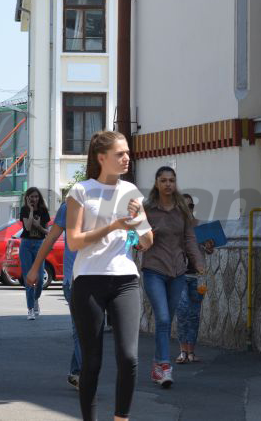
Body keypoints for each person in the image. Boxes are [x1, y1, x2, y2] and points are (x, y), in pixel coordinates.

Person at [66, 130, 153, 421]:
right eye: (120, 153)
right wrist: (113, 226)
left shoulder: (131, 191)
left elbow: (147, 241)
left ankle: (121, 418)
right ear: (101, 157)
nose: (127, 157)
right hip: (88, 280)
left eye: (127, 152)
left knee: (129, 357)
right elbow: (73, 242)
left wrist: (137, 220)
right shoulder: (81, 191)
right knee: (92, 362)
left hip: (125, 279)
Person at [141, 167, 204, 388]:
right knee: (163, 318)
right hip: (154, 270)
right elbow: (136, 237)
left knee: (166, 320)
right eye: (164, 180)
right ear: (156, 183)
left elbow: (189, 239)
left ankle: (158, 364)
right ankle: (165, 366)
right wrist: (144, 238)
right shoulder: (147, 209)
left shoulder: (181, 210)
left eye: (172, 180)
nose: (168, 184)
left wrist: (198, 261)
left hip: (178, 271)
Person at [26, 198, 82, 389]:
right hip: (73, 280)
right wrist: (35, 268)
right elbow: (50, 238)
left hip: (98, 279)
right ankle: (85, 376)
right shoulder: (70, 207)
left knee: (90, 331)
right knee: (81, 330)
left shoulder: (109, 206)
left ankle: (77, 371)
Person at [175, 193, 214, 364]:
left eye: (191, 206)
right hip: (180, 276)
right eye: (184, 206)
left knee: (194, 314)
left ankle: (191, 352)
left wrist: (209, 247)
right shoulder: (174, 228)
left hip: (198, 276)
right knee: (182, 312)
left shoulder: (201, 226)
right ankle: (182, 351)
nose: (188, 209)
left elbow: (209, 250)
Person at [20, 187, 50, 320]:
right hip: (26, 245)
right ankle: (30, 309)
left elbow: (47, 232)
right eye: (31, 197)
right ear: (27, 198)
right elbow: (27, 227)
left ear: (39, 198)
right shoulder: (24, 210)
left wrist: (38, 226)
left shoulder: (43, 211)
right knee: (29, 278)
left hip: (39, 245)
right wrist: (31, 210)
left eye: (36, 196)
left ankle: (35, 299)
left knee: (39, 279)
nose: (34, 199)